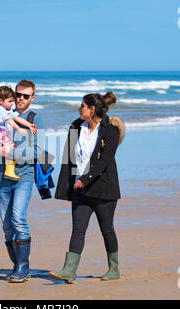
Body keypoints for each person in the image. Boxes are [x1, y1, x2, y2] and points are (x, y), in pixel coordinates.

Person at [49, 91, 125, 283]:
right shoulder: (75, 127)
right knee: (78, 230)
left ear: (92, 109)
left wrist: (86, 177)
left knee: (107, 229)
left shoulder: (110, 130)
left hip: (104, 190)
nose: (79, 108)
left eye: (82, 105)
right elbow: (69, 158)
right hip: (80, 190)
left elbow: (104, 161)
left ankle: (113, 269)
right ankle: (69, 270)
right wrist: (67, 185)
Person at [0, 80, 45, 283]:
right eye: (18, 95)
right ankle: (17, 266)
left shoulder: (35, 119)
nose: (20, 99)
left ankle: (23, 268)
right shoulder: (1, 113)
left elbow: (36, 152)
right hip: (1, 177)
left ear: (32, 98)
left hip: (24, 177)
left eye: (25, 96)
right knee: (7, 226)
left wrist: (11, 152)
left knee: (18, 219)